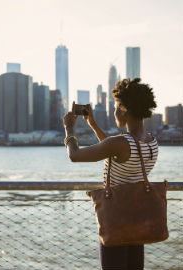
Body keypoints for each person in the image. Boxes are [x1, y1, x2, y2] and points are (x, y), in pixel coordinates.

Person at [63, 78, 158, 270]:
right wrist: (94, 125)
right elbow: (116, 151)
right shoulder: (151, 142)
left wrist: (69, 128)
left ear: (124, 109)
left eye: (116, 107)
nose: (114, 111)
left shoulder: (120, 143)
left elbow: (75, 155)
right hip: (138, 221)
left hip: (116, 221)